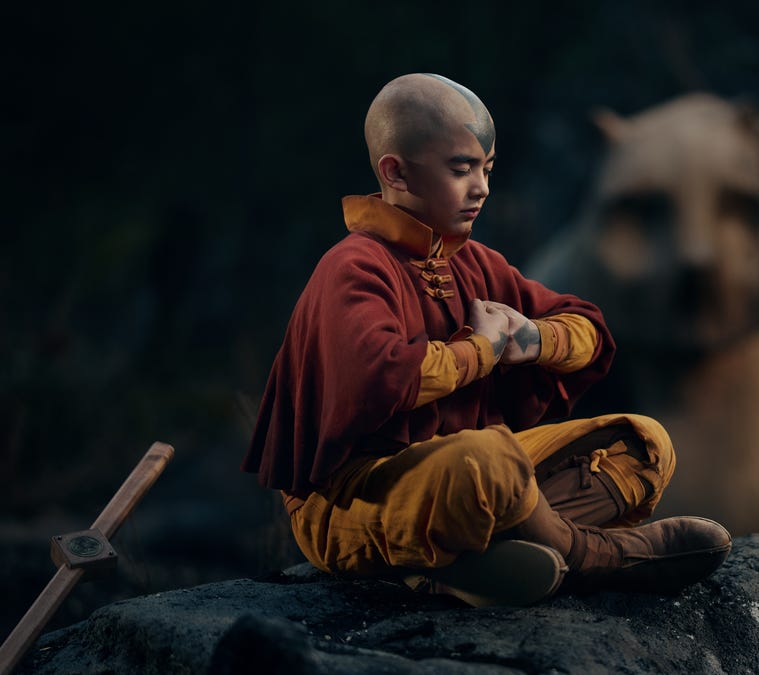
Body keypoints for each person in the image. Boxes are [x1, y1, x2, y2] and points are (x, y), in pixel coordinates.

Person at [242, 73, 731, 607]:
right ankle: (597, 557)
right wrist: (483, 349)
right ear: (395, 171)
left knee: (643, 441)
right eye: (462, 169)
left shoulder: (472, 261)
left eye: (487, 169)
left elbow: (587, 330)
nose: (482, 187)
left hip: (477, 482)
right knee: (489, 461)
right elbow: (382, 376)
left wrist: (531, 338)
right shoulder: (352, 266)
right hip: (352, 499)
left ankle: (465, 567)